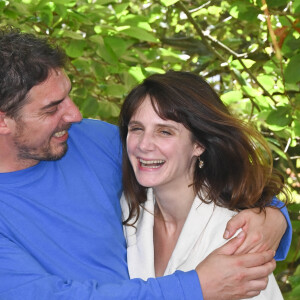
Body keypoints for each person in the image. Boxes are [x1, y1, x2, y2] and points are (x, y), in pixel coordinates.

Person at [0, 27, 291, 299]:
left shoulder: (89, 141)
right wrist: (196, 287)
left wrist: (274, 216)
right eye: (52, 108)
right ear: (3, 120)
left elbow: (192, 166)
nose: (75, 115)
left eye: (68, 96)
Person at [119, 71, 290, 299]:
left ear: (198, 144)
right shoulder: (125, 212)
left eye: (165, 131)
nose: (144, 144)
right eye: (136, 128)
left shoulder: (234, 236)